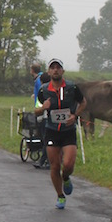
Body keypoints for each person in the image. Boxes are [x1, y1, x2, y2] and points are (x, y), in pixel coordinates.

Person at [34, 58, 87, 209]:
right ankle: (60, 196)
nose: (55, 70)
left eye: (58, 67)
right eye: (53, 67)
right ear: (49, 71)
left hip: (68, 131)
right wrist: (43, 108)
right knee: (55, 166)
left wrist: (75, 116)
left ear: (62, 71)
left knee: (68, 164)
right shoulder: (43, 90)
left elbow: (83, 102)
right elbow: (36, 110)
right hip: (51, 131)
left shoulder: (72, 87)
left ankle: (66, 178)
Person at [29, 63, 50, 169]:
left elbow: (40, 99)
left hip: (43, 116)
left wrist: (37, 110)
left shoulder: (40, 84)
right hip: (46, 115)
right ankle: (46, 160)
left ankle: (44, 161)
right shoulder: (42, 79)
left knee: (46, 139)